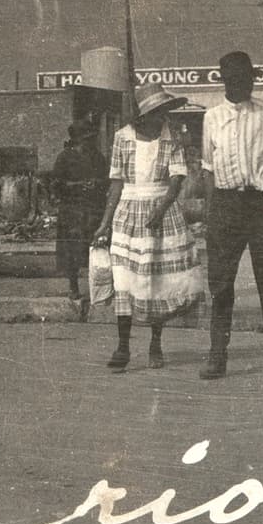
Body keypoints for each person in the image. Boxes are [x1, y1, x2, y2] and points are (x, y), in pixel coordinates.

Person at [200, 50, 263, 379]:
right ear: (224, 81)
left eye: (246, 79)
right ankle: (217, 356)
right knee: (220, 285)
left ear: (252, 79)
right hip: (226, 206)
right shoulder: (211, 117)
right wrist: (211, 213)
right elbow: (208, 169)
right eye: (234, 79)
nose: (242, 85)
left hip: (261, 206)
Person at [92, 83, 204, 372]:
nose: (161, 116)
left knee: (156, 281)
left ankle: (156, 342)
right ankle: (123, 346)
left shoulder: (172, 136)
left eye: (164, 111)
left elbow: (177, 178)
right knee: (124, 281)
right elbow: (116, 183)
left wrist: (161, 208)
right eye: (156, 112)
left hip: (161, 212)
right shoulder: (122, 137)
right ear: (143, 115)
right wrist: (104, 224)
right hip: (127, 216)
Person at [51, 118, 108, 299]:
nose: (90, 142)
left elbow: (107, 180)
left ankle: (97, 287)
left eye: (91, 138)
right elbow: (55, 184)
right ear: (77, 140)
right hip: (72, 210)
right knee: (71, 250)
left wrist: (96, 183)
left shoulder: (98, 157)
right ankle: (73, 285)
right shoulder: (65, 157)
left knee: (95, 249)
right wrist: (77, 185)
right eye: (86, 139)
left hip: (93, 209)